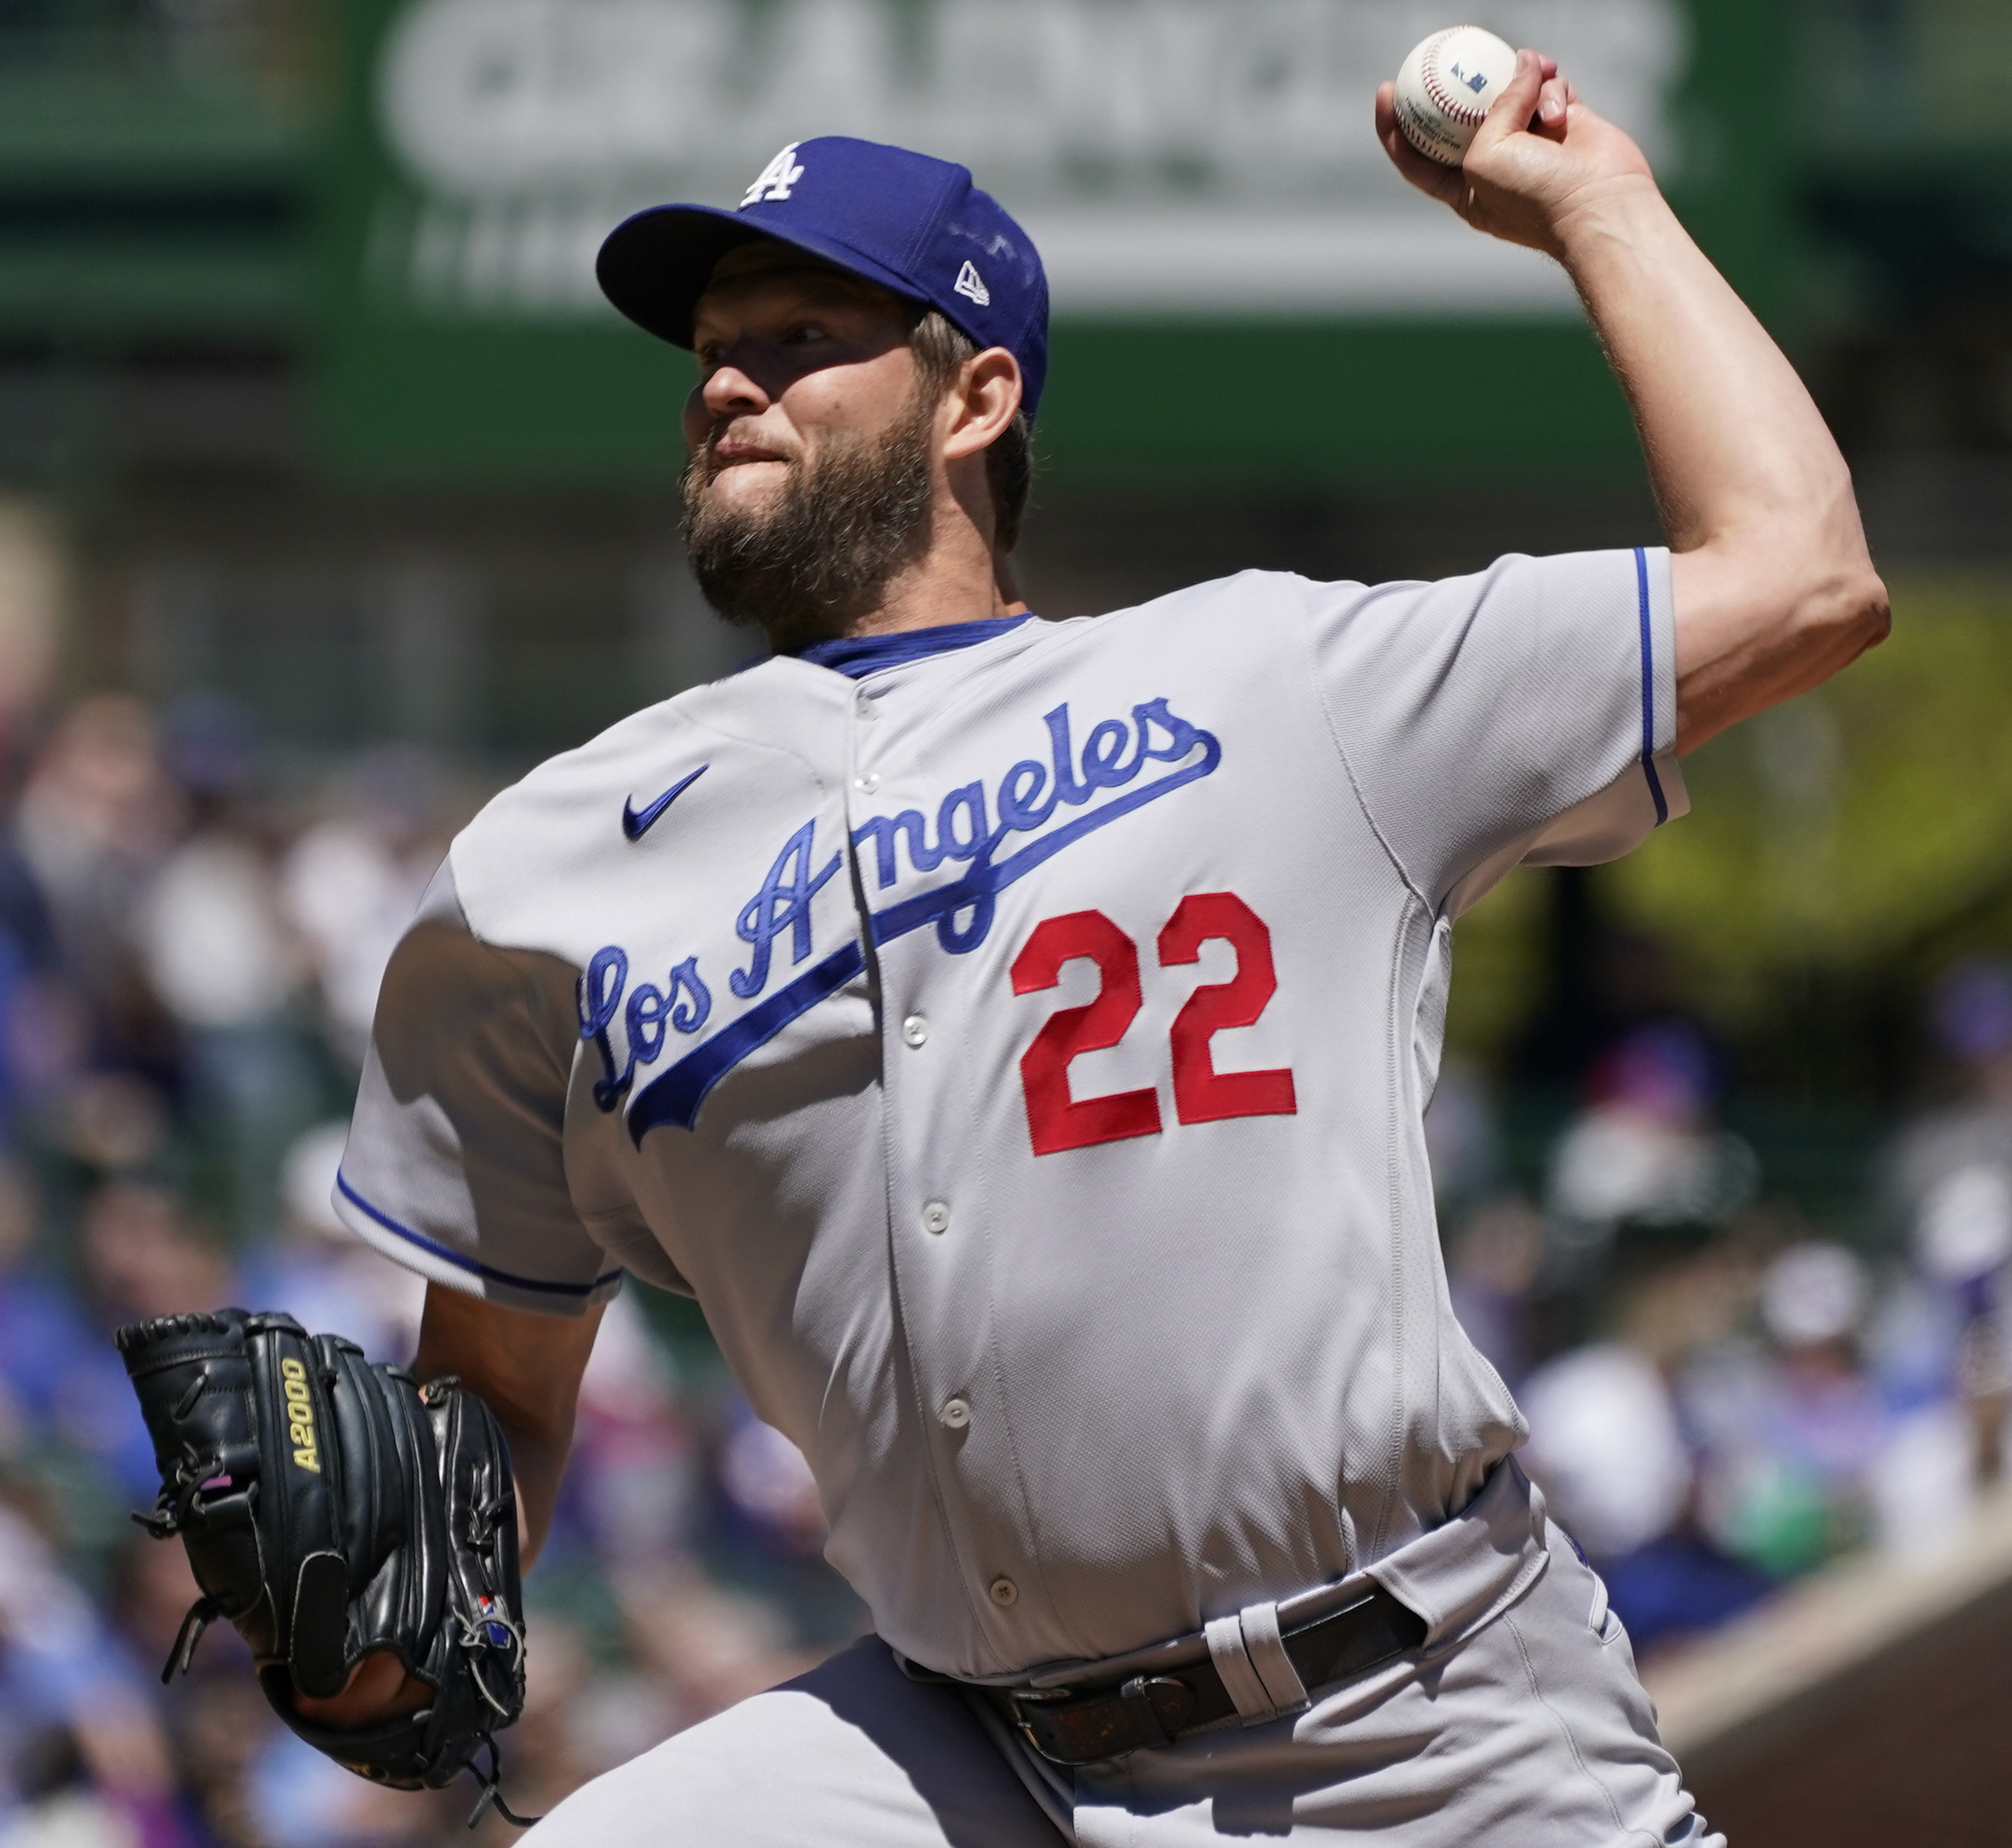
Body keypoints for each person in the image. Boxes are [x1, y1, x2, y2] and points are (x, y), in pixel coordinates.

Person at [317, 48, 1886, 1845]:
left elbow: (1805, 577)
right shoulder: (550, 865)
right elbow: (495, 1391)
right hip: (959, 1751)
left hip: (1407, 1722)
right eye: (710, 351)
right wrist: (397, 1618)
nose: (729, 381)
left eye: (803, 334)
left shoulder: (1279, 685)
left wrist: (1597, 201)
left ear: (974, 396)